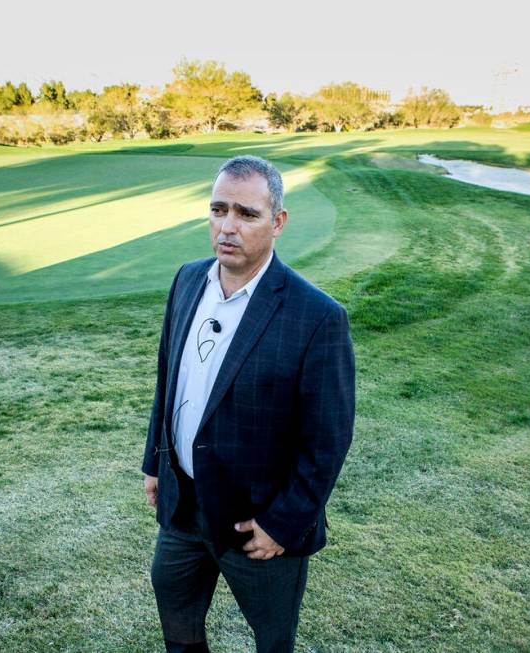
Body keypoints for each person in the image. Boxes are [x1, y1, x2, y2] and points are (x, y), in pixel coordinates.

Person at [142, 155, 356, 652]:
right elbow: (167, 381)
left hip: (255, 524)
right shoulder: (187, 280)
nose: (228, 227)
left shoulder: (317, 316)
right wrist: (155, 462)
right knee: (177, 623)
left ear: (277, 222)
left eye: (247, 213)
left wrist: (281, 523)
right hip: (183, 507)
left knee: (272, 640)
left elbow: (327, 439)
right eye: (219, 210)